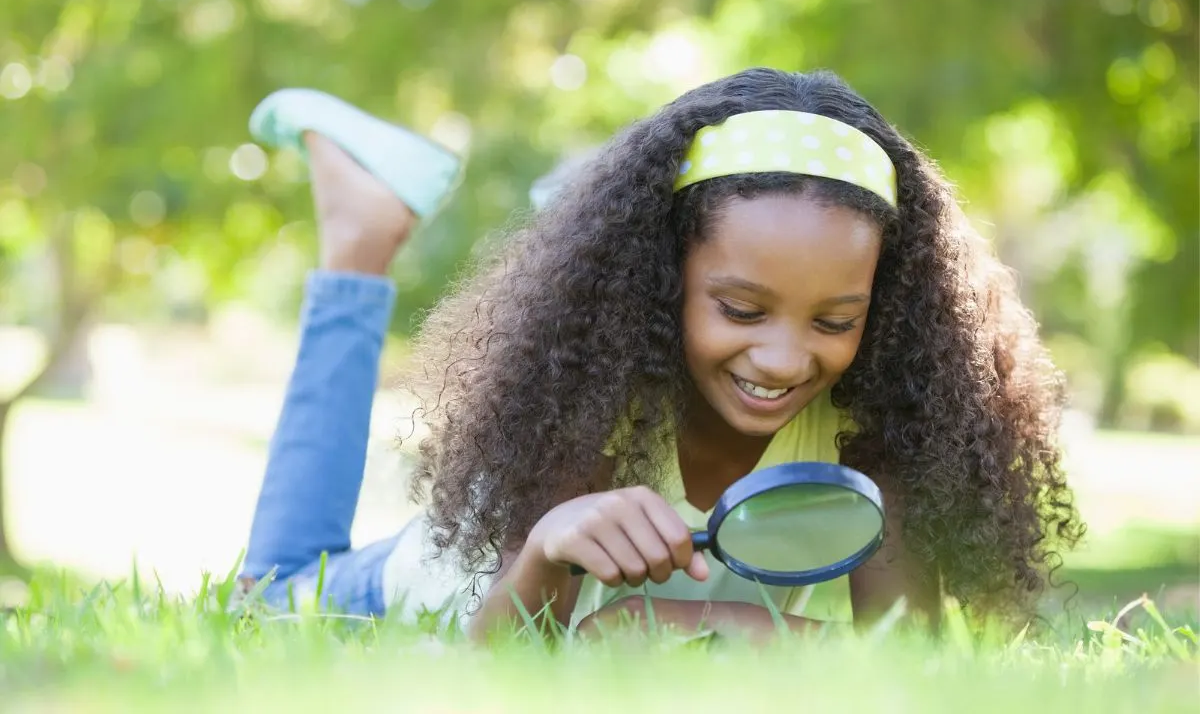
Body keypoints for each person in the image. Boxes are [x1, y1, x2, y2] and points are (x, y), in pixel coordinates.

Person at [238, 69, 1084, 641]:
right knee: (273, 591)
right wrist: (544, 549)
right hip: (431, 585)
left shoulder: (876, 429)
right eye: (741, 308)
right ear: (662, 275)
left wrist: (723, 628)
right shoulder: (597, 392)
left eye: (835, 320)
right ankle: (362, 238)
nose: (786, 359)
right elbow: (503, 660)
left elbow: (910, 668)